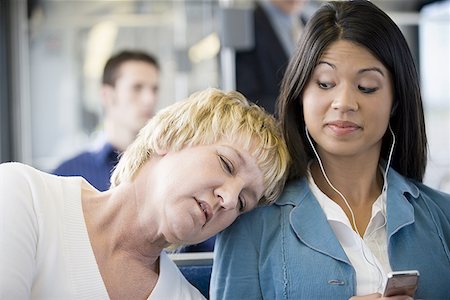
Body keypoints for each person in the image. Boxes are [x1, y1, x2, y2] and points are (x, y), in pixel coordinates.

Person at [211, 1, 450, 299]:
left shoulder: (443, 215)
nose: (344, 102)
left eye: (366, 87)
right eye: (325, 83)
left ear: (396, 102)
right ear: (300, 94)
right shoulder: (252, 223)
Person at [0, 88, 290, 299]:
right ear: (170, 136)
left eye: (243, 202)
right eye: (226, 164)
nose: (227, 199)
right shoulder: (24, 197)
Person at [53, 50, 160, 192]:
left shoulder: (166, 167)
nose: (149, 99)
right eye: (137, 88)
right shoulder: (68, 177)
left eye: (154, 89)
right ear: (107, 96)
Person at [235, 0, 310, 115]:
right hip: (269, 125)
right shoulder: (246, 22)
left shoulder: (307, 23)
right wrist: (298, 111)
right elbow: (245, 95)